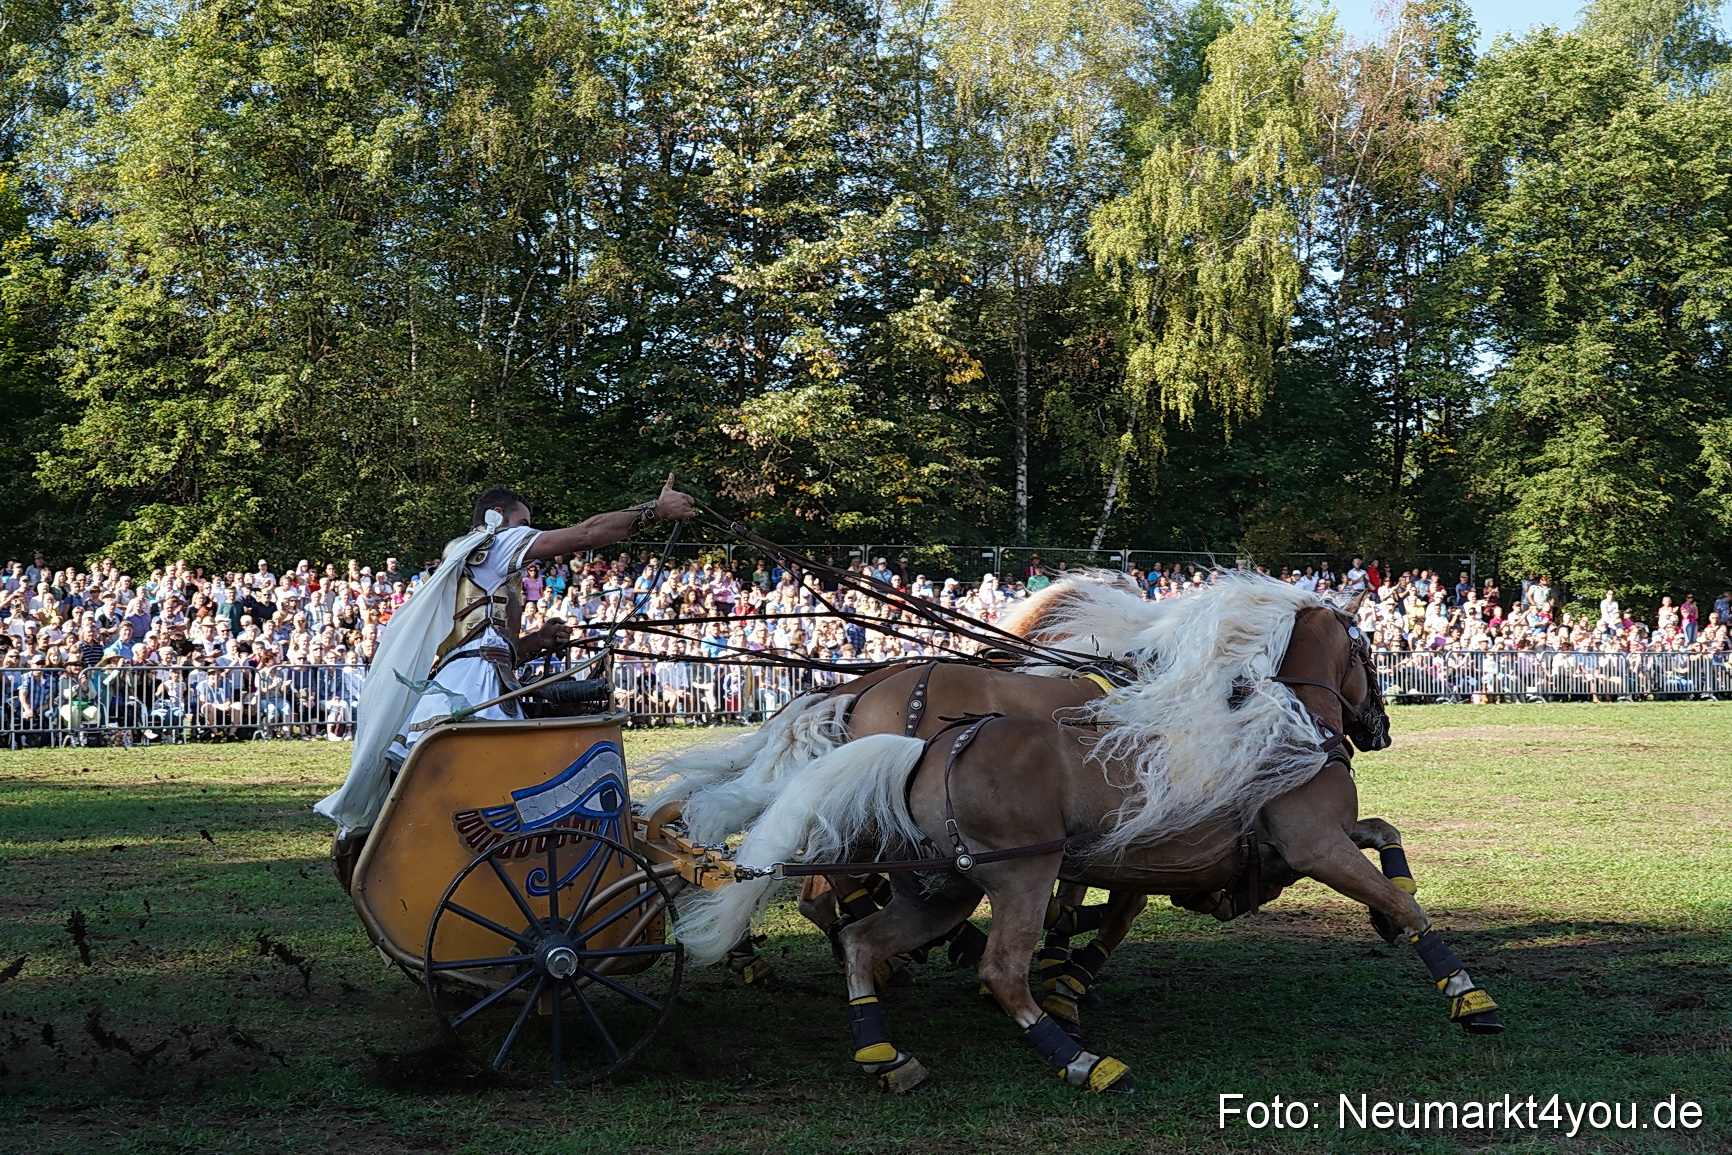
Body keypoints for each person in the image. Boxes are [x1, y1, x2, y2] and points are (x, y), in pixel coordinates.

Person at [315, 477, 697, 836]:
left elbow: (490, 647)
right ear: (497, 519)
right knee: (512, 776)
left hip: (474, 674)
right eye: (523, 522)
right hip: (474, 685)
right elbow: (588, 534)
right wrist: (655, 511)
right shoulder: (494, 543)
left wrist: (538, 640)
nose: (528, 532)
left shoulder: (477, 565)